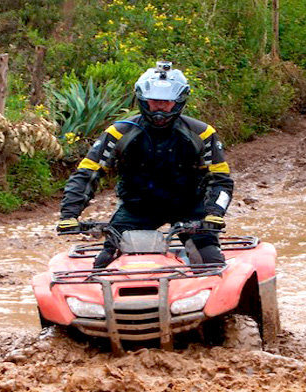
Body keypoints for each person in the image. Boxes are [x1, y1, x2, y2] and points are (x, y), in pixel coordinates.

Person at [56, 61, 234, 268]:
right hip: (137, 210)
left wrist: (214, 213)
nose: (160, 108)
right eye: (154, 101)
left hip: (190, 209)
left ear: (179, 101)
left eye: (166, 102)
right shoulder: (119, 132)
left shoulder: (202, 133)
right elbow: (88, 173)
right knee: (105, 262)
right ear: (143, 99)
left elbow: (220, 180)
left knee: (210, 261)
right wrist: (70, 214)